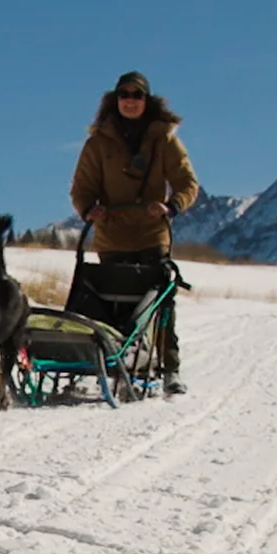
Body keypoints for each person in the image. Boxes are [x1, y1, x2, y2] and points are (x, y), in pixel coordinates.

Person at [71, 72, 201, 392]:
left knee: (158, 304)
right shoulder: (98, 143)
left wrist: (171, 207)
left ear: (147, 100)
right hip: (112, 235)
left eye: (137, 95)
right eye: (124, 95)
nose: (130, 100)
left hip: (151, 234)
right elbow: (82, 187)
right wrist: (89, 209)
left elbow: (187, 183)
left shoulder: (164, 140)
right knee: (110, 303)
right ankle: (111, 360)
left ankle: (170, 368)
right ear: (115, 100)